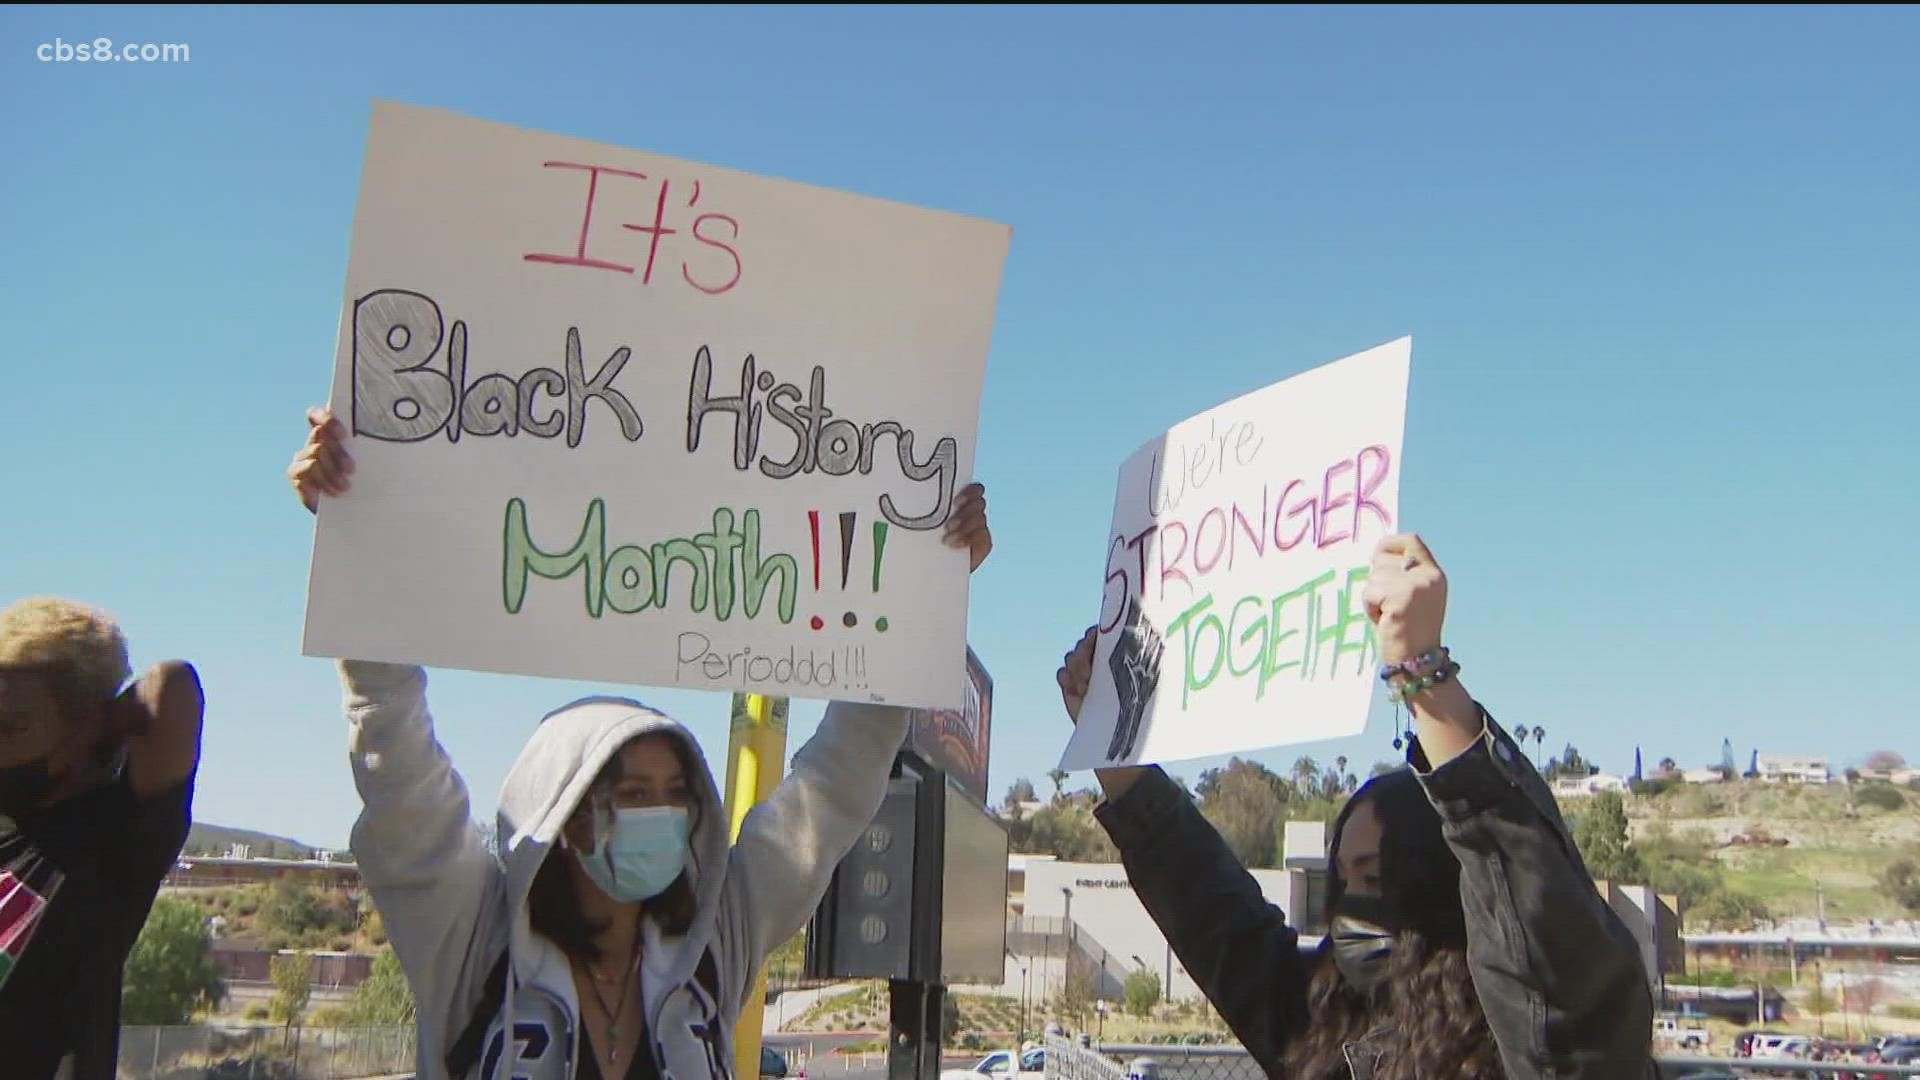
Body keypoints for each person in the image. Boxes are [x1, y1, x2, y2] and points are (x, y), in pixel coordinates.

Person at [288, 408, 994, 1080]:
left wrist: (923, 597)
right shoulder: (472, 942)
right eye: (631, 795)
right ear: (565, 817)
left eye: (675, 795)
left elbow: (839, 776)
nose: (662, 815)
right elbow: (397, 761)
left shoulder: (722, 938)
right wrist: (357, 539)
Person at [1054, 535, 1654, 1079]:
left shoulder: (1541, 1040)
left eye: (1375, 878)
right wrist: (1113, 745)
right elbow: (1218, 920)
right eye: (1344, 884)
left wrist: (1422, 673)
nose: (1353, 913)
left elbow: (1530, 902)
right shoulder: (1325, 1032)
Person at [0, 598, 205, 1079]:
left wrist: (98, 730)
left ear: (85, 727)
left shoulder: (111, 838)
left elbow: (171, 689)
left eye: (12, 725)